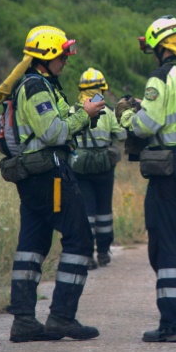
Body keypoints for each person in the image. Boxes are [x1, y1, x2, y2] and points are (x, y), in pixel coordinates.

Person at [0, 25, 105, 342]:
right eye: (62, 54)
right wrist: (83, 114)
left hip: (34, 177)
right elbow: (54, 133)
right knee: (80, 241)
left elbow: (56, 123)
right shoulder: (35, 87)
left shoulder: (40, 83)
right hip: (49, 177)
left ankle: (25, 322)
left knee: (32, 245)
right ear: (47, 56)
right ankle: (61, 318)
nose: (66, 60)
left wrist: (84, 112)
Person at [116, 15, 176, 343]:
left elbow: (147, 126)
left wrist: (129, 115)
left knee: (166, 248)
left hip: (168, 173)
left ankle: (172, 326)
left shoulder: (162, 76)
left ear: (161, 47)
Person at [71, 68, 127, 269]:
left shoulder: (73, 111)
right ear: (102, 89)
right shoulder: (108, 112)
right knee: (105, 211)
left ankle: (87, 255)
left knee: (87, 211)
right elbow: (121, 135)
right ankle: (103, 253)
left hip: (80, 167)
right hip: (105, 167)